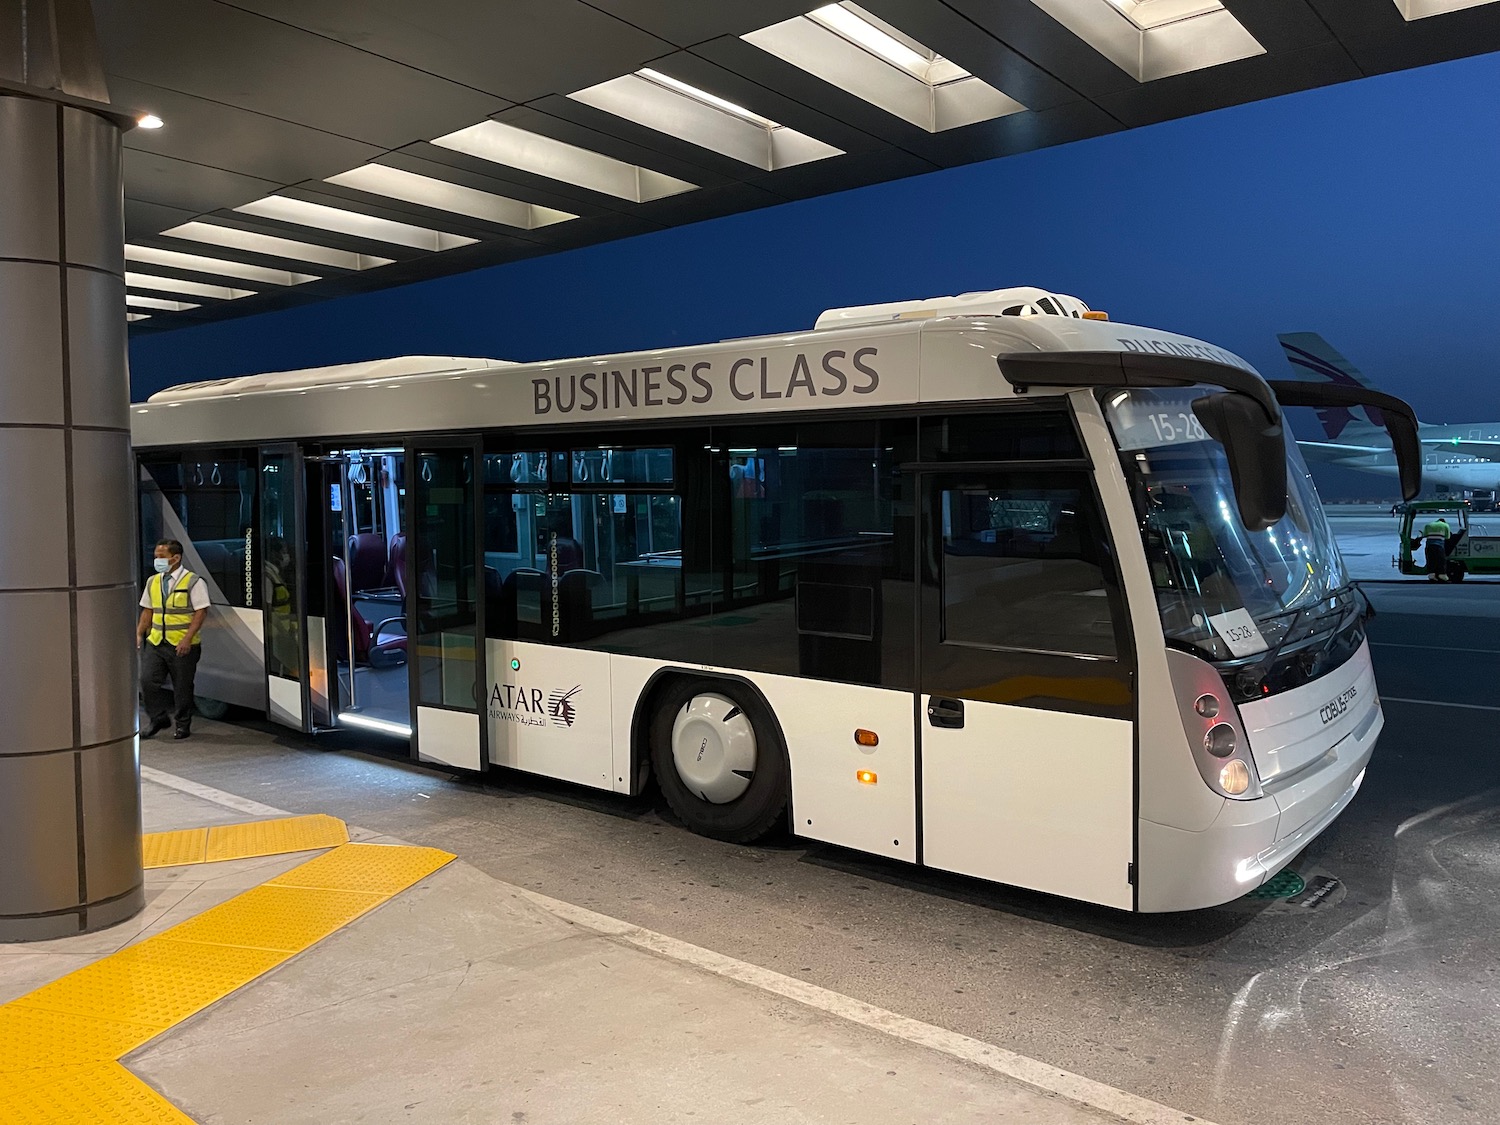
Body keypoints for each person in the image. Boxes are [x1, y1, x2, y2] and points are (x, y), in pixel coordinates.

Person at [137, 539, 210, 739]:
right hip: (156, 641)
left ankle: (182, 725)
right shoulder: (153, 581)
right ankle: (158, 718)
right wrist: (138, 633)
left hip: (183, 645)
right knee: (147, 681)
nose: (157, 561)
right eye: (156, 557)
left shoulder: (194, 581)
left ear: (176, 558)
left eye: (162, 557)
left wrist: (187, 639)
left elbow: (201, 612)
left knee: (182, 687)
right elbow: (148, 610)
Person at [1421, 515, 1452, 582]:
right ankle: (1442, 575)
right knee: (1441, 561)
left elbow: (1424, 535)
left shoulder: (1428, 525)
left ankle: (1432, 576)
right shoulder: (1445, 525)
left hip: (1430, 546)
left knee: (1431, 560)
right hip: (1439, 546)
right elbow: (1448, 537)